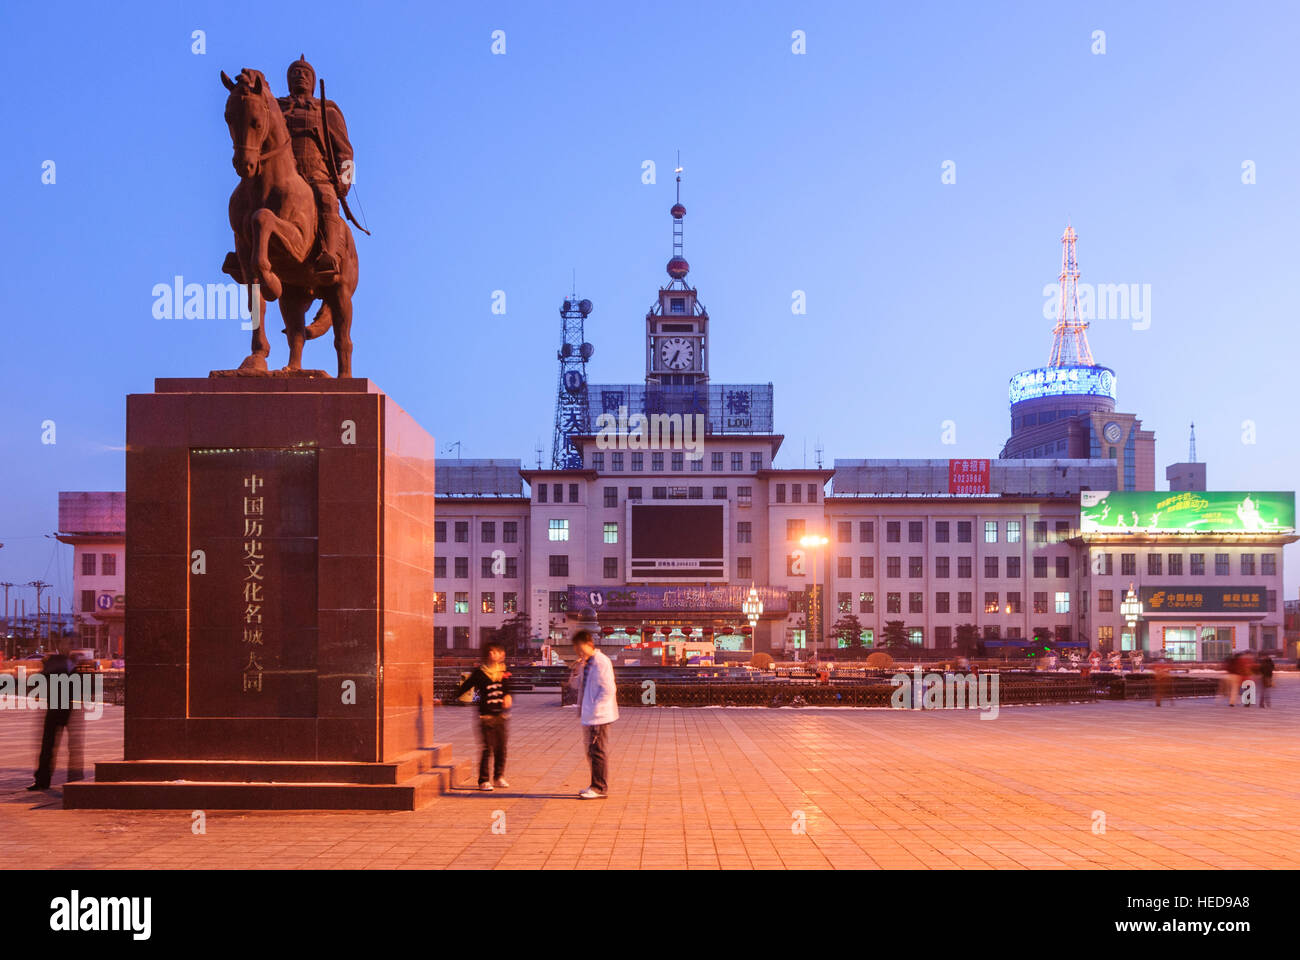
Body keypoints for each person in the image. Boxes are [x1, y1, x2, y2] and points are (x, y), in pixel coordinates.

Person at [442, 640, 512, 791]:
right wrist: (446, 699)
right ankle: (483, 780)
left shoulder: (504, 672)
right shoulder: (480, 673)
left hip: (501, 716)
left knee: (501, 748)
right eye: (492, 651)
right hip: (485, 717)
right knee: (487, 748)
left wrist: (508, 696)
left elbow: (508, 690)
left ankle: (499, 776)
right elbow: (465, 687)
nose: (494, 654)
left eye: (497, 651)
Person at [28, 642, 83, 791]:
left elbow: (39, 681)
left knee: (50, 744)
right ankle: (73, 779)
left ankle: (44, 780)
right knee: (69, 746)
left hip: (60, 706)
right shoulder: (67, 664)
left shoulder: (56, 663)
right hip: (66, 706)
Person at [572, 628, 617, 799]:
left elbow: (608, 689)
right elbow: (580, 687)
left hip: (599, 716)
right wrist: (576, 672)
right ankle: (594, 784)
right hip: (589, 715)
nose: (577, 651)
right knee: (591, 750)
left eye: (579, 647)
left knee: (598, 751)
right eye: (575, 647)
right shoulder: (587, 662)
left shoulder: (601, 662)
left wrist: (596, 710)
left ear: (589, 644)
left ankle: (599, 787)